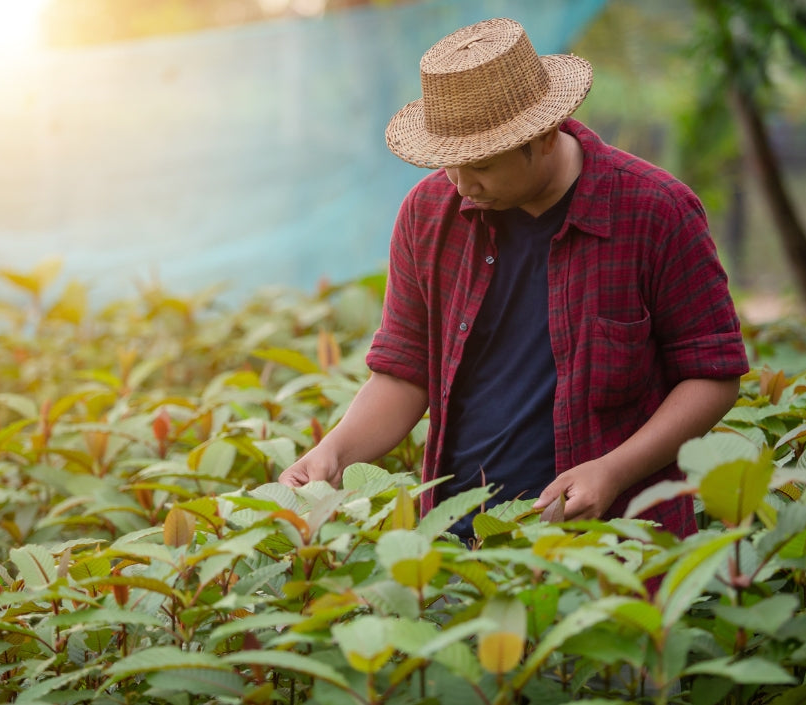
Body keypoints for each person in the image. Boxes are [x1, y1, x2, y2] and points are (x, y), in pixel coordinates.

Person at [279, 17, 749, 543]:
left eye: (479, 163)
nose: (460, 183)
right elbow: (402, 373)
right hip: (459, 542)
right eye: (448, 162)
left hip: (610, 543)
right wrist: (333, 453)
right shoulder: (428, 213)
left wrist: (614, 469)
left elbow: (712, 374)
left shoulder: (655, 211)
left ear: (544, 134)